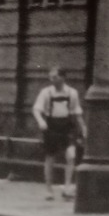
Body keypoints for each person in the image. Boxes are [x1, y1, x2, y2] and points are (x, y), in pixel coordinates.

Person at [32, 66, 86, 200]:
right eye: (51, 77)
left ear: (63, 78)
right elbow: (36, 109)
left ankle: (67, 188)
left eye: (55, 77)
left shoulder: (72, 93)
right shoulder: (46, 93)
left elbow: (77, 112)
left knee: (71, 156)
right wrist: (41, 121)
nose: (52, 80)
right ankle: (49, 190)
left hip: (67, 126)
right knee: (50, 158)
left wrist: (84, 127)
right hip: (51, 126)